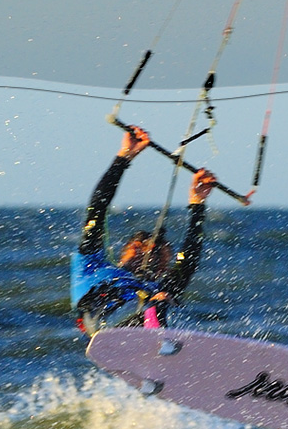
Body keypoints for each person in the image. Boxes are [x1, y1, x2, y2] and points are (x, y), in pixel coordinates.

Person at [71, 125, 218, 335]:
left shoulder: (157, 288)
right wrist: (124, 157)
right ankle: (157, 336)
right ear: (124, 250)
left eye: (158, 255)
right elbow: (98, 208)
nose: (148, 257)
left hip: (142, 329)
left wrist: (197, 204)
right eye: (139, 249)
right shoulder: (91, 264)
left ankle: (160, 345)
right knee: (157, 300)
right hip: (100, 323)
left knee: (163, 296)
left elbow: (188, 261)